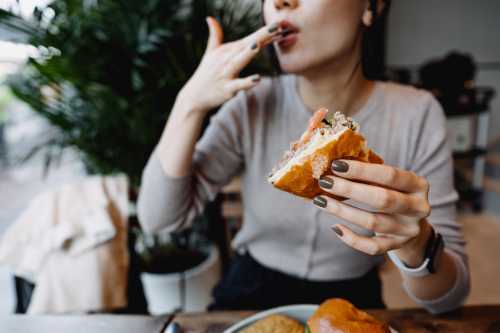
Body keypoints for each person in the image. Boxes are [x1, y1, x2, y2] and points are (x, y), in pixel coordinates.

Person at [137, 0, 469, 314]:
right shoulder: (251, 103)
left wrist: (417, 246)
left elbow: (447, 302)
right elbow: (161, 219)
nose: (280, 2)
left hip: (352, 300)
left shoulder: (417, 113)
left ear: (370, 7)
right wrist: (189, 103)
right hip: (247, 291)